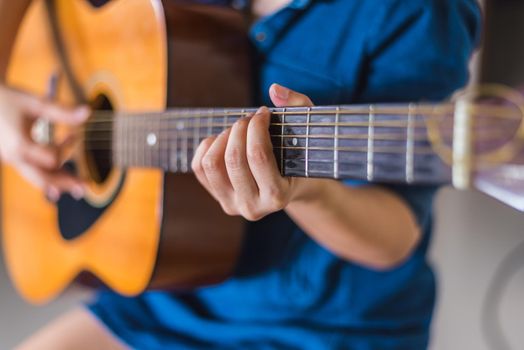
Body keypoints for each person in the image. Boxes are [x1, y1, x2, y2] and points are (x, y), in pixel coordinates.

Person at [0, 0, 481, 349]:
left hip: (319, 328)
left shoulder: (415, 11)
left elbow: (394, 234)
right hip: (162, 295)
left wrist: (310, 195)